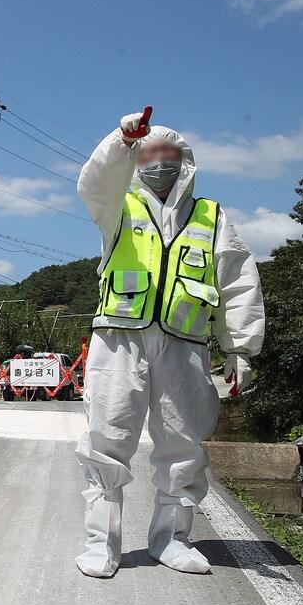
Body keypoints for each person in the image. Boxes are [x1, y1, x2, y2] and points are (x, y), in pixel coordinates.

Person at [74, 109, 264, 578]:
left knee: (183, 444)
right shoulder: (119, 206)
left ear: (187, 162)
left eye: (170, 154)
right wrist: (121, 140)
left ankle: (172, 539)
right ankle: (101, 544)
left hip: (186, 343)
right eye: (150, 153)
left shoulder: (211, 215)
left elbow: (238, 281)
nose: (161, 161)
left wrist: (240, 348)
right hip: (121, 339)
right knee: (107, 439)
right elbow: (95, 184)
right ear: (136, 161)